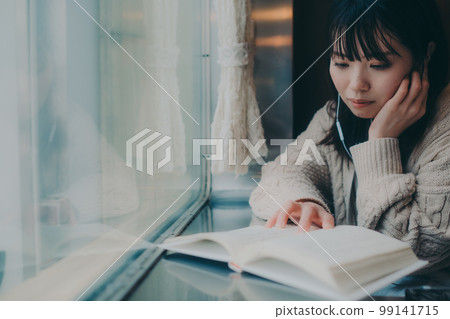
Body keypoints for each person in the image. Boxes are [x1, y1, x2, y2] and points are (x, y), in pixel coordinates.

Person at [249, 0, 450, 272]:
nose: (356, 85)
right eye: (342, 63)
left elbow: (411, 253)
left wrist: (381, 140)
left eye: (378, 65)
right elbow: (277, 175)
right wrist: (304, 202)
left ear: (424, 55)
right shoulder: (335, 115)